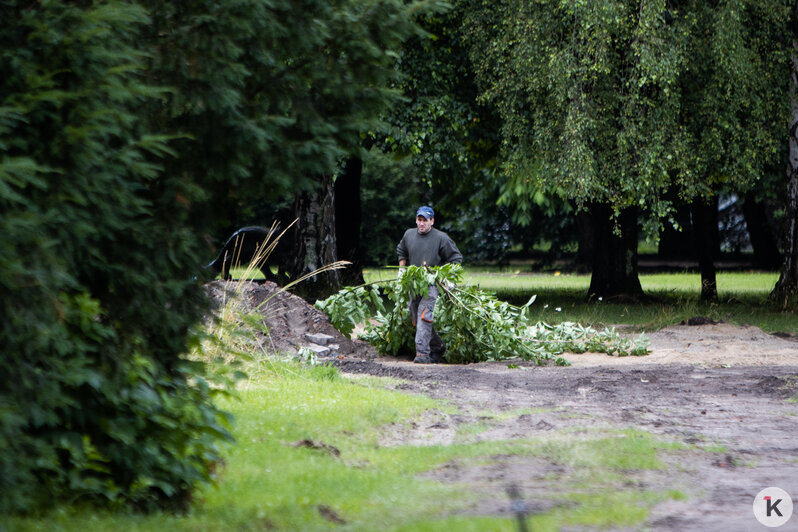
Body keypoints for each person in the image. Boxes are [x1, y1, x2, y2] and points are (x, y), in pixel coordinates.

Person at [396, 206, 463, 364]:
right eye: (419, 220)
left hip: (431, 284)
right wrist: (401, 269)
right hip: (413, 283)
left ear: (432, 221)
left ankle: (422, 354)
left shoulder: (441, 238)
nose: (421, 223)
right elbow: (401, 250)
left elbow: (456, 258)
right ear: (416, 220)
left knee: (424, 315)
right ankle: (437, 346)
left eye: (425, 220)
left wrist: (448, 277)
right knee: (415, 316)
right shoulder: (409, 234)